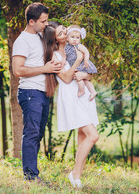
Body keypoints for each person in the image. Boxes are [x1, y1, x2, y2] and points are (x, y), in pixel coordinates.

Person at [43, 21, 100, 188]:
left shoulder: (75, 46)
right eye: (61, 32)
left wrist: (84, 70)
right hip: (72, 96)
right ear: (55, 39)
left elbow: (88, 75)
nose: (65, 32)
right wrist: (78, 61)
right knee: (93, 136)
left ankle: (77, 177)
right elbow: (67, 78)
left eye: (64, 30)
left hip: (84, 95)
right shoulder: (54, 56)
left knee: (83, 136)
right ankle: (74, 174)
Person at [12, 3, 62, 183]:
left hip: (42, 93)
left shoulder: (42, 36)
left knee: (38, 133)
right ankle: (31, 176)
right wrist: (44, 68)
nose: (46, 24)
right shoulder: (22, 41)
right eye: (43, 21)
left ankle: (31, 171)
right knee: (32, 134)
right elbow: (18, 70)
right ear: (31, 21)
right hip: (30, 92)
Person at [64, 25, 98, 101]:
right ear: (67, 38)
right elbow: (64, 56)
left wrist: (86, 60)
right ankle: (93, 91)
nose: (75, 40)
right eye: (72, 37)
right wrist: (63, 60)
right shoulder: (66, 47)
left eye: (77, 38)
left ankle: (82, 90)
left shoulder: (79, 46)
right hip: (76, 64)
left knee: (79, 78)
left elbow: (86, 52)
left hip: (82, 65)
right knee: (86, 80)